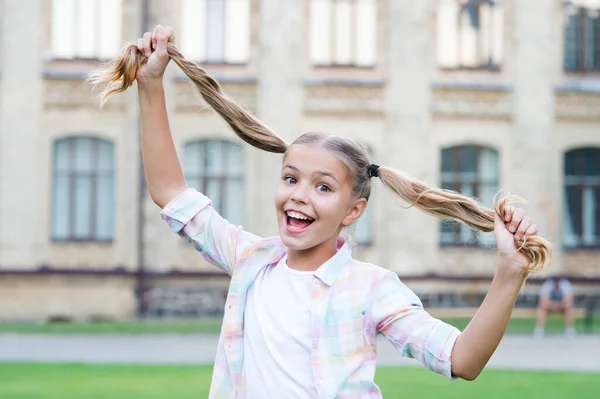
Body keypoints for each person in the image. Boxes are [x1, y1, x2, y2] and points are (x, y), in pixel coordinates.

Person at [90, 25, 552, 399]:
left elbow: (461, 360)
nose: (298, 195)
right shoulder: (250, 260)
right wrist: (150, 85)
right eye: (290, 178)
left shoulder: (372, 289)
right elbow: (171, 192)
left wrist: (510, 271)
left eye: (322, 187)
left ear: (354, 211)